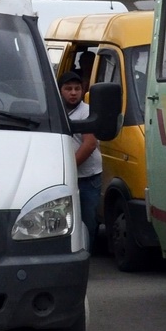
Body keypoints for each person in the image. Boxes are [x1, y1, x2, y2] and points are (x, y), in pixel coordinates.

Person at [59, 71, 103, 252]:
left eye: (77, 89)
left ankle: (85, 256)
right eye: (68, 89)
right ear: (60, 91)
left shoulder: (86, 111)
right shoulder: (58, 111)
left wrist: (68, 168)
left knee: (87, 222)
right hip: (65, 177)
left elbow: (90, 144)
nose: (73, 93)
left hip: (88, 177)